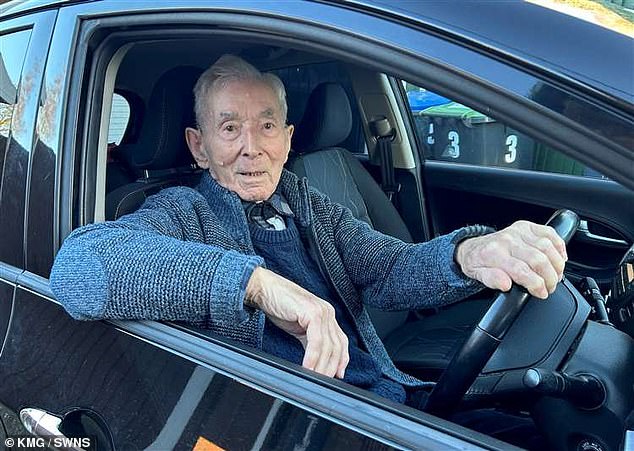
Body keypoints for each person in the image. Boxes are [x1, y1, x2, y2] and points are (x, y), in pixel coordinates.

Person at [50, 55, 566, 409]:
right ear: (198, 146)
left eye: (267, 125)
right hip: (316, 421)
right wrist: (256, 284)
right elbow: (77, 266)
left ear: (288, 137)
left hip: (388, 394)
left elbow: (389, 269)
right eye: (229, 128)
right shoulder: (183, 211)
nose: (252, 147)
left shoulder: (301, 202)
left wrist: (469, 254)